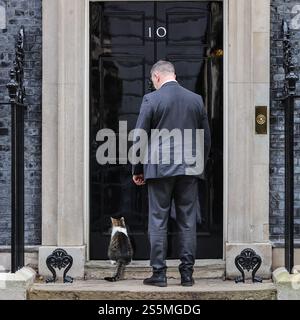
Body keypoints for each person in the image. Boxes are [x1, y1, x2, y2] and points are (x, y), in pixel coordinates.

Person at [132, 60, 211, 287]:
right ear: (173, 75)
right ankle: (187, 274)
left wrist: (138, 169)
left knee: (158, 221)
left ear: (156, 77)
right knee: (187, 222)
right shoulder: (195, 100)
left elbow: (140, 137)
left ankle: (159, 274)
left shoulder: (152, 99)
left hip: (159, 168)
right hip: (189, 168)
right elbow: (206, 139)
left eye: (152, 81)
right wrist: (199, 166)